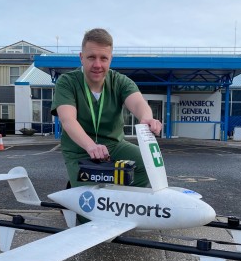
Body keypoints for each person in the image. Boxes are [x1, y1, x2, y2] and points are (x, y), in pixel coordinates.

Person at [51, 28, 162, 187]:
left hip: (114, 146)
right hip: (80, 150)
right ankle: (79, 190)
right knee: (89, 206)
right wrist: (91, 146)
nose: (97, 64)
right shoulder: (67, 82)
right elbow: (67, 119)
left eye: (103, 58)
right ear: (81, 58)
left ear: (110, 59)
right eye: (91, 57)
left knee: (149, 164)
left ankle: (121, 201)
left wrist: (146, 117)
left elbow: (138, 103)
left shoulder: (120, 81)